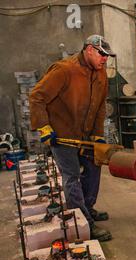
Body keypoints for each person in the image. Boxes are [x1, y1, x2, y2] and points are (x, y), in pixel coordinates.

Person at [30, 35, 116, 241]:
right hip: (62, 135)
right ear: (88, 50)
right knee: (72, 177)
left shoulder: (101, 73)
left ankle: (87, 207)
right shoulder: (64, 70)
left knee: (94, 168)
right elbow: (37, 97)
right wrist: (43, 127)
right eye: (101, 54)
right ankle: (82, 221)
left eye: (107, 55)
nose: (105, 59)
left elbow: (100, 106)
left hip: (85, 135)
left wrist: (97, 134)